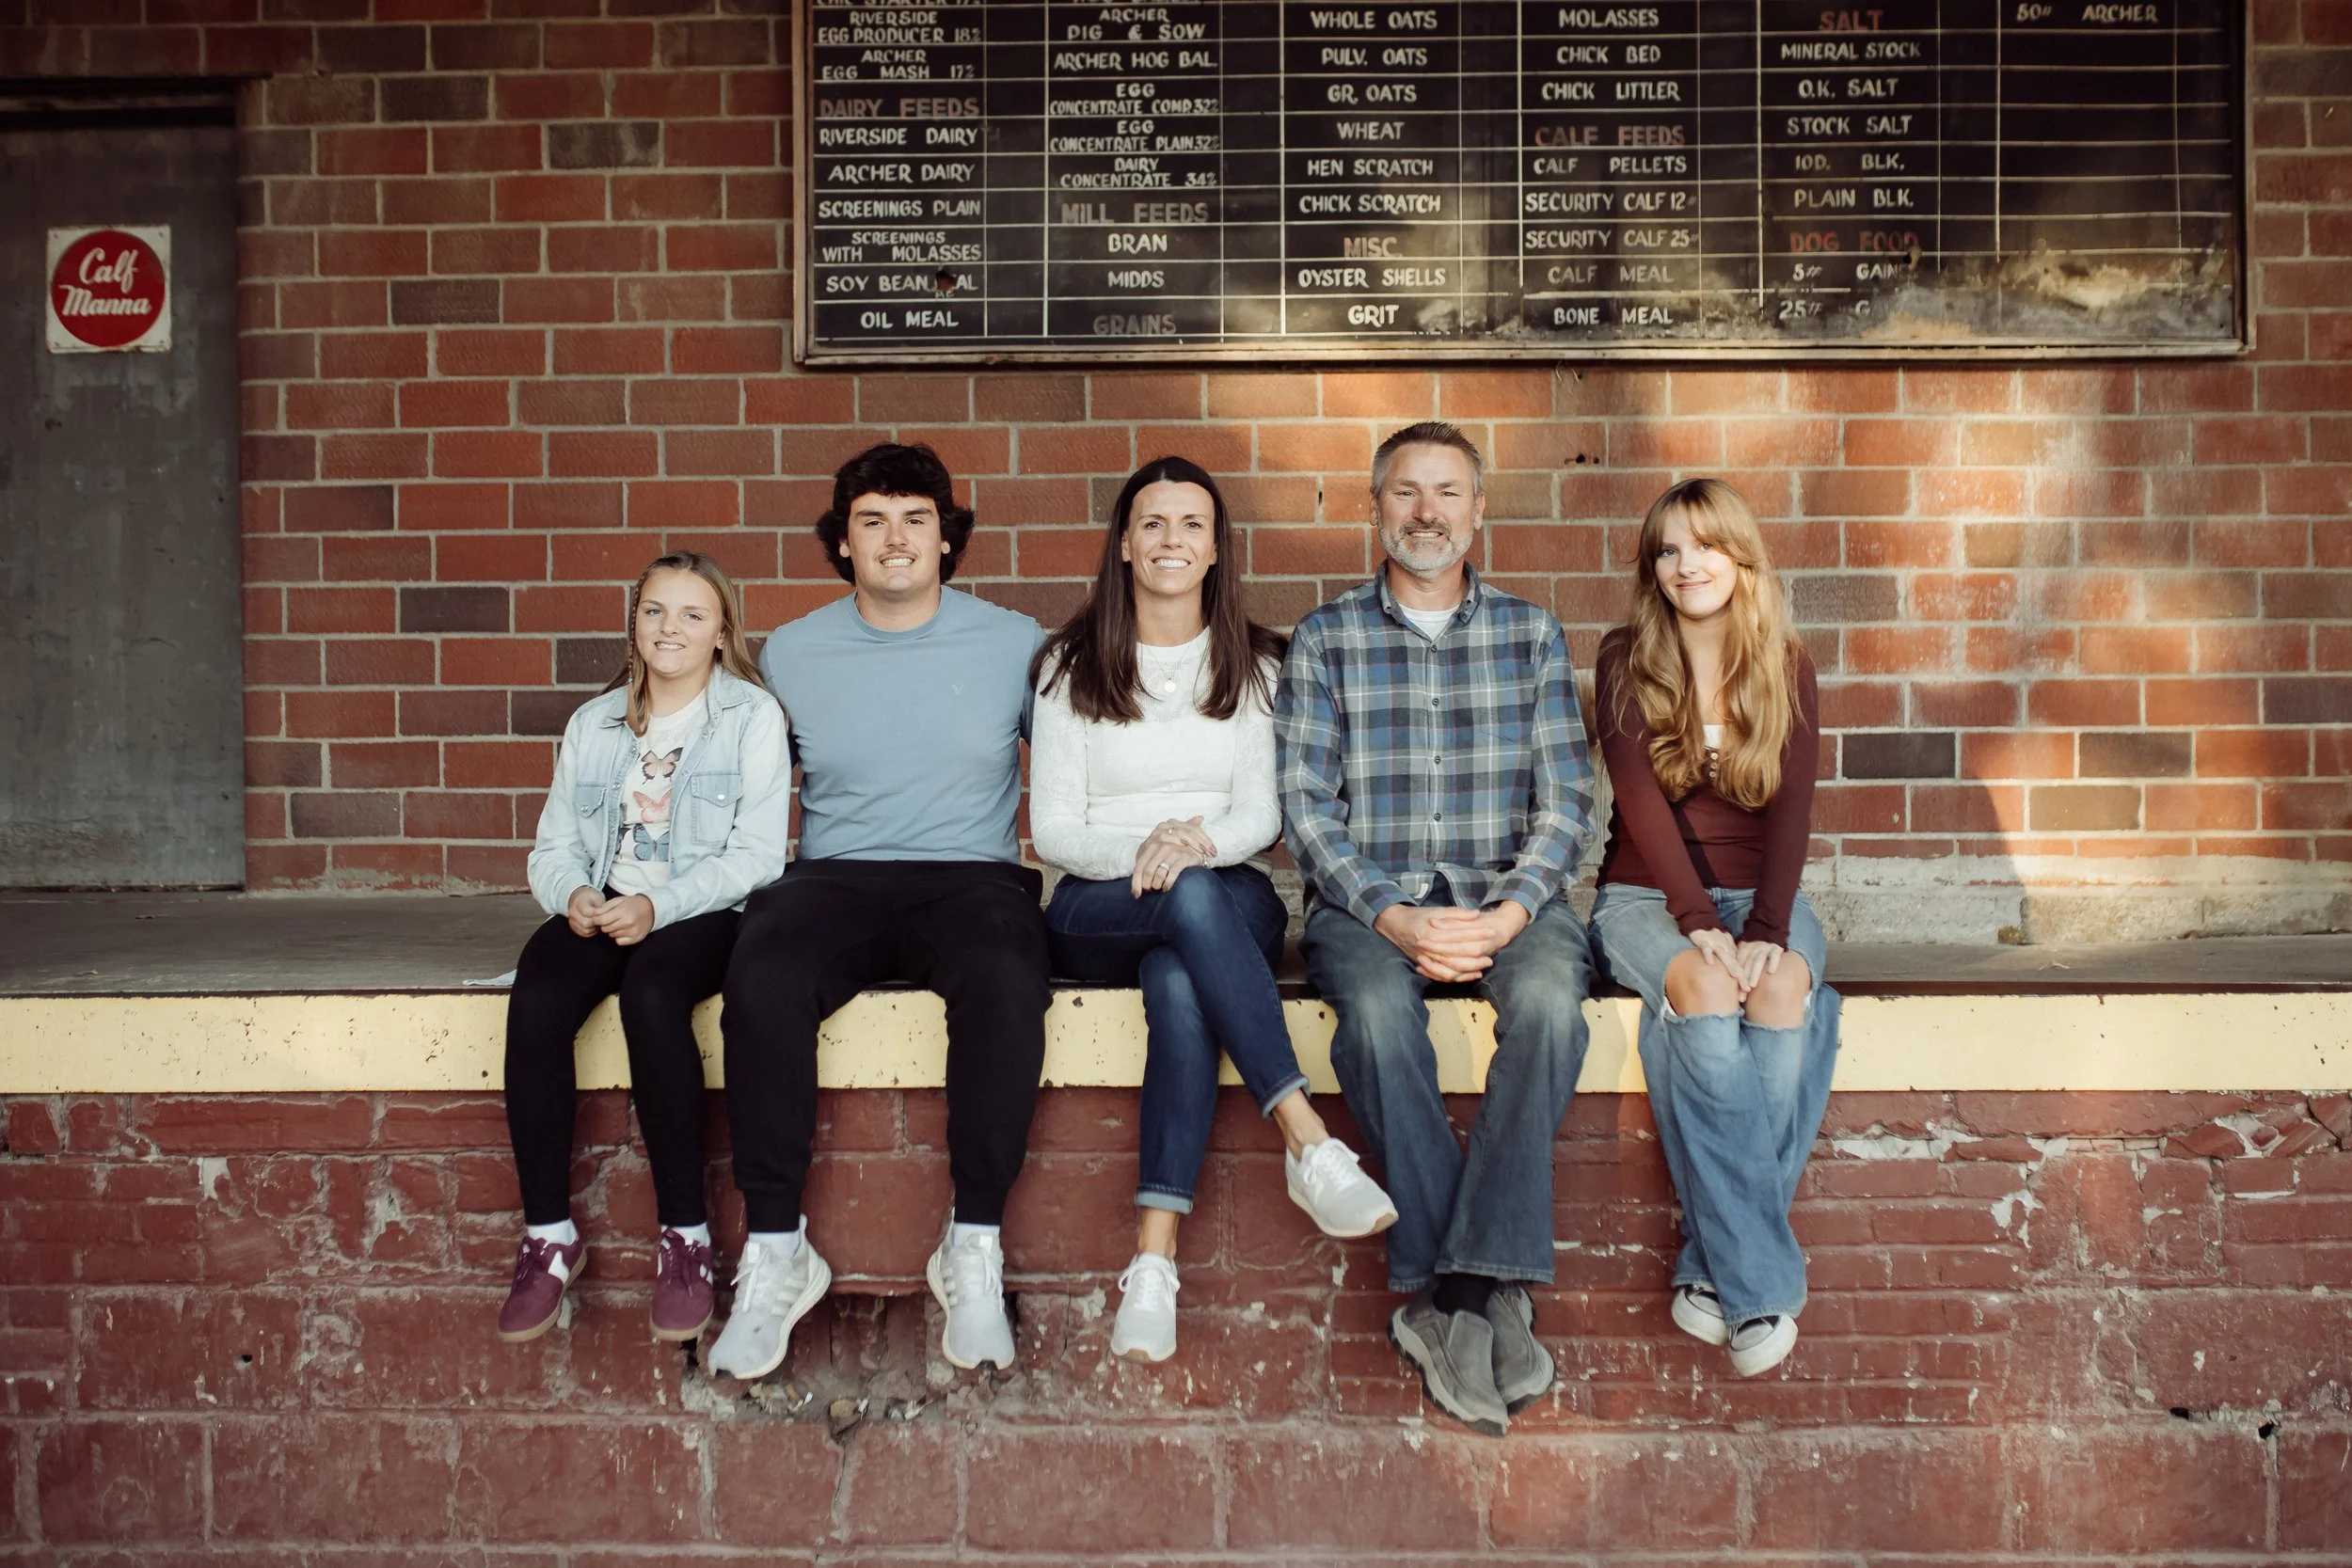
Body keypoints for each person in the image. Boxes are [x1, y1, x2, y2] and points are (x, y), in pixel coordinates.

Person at [1029, 456, 1398, 1365]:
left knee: (1182, 980)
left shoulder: (1259, 664)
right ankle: (1307, 1139)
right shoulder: (1067, 665)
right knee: (1182, 908)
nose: (1171, 542)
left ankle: (1153, 1263)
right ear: (1122, 544)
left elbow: (1262, 817)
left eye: (1191, 525)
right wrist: (1153, 853)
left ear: (1217, 547)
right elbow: (1056, 831)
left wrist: (1187, 847)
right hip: (1096, 904)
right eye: (1152, 524)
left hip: (1225, 887)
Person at [1275, 420, 1597, 1436]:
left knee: (1551, 1002)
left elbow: (1567, 805)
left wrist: (1505, 914)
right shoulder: (1326, 637)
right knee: (1371, 1012)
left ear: (1477, 510)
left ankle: (1445, 1293)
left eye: (1447, 492)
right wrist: (1394, 915)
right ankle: (1480, 1286)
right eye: (1405, 492)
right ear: (1376, 509)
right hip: (1367, 906)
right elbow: (1305, 808)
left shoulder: (1531, 632)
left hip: (1511, 897)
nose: (1426, 511)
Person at [707, 442, 1051, 1381]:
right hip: (834, 878)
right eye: (872, 520)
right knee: (763, 973)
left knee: (1010, 979)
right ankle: (777, 1247)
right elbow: (728, 775)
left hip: (971, 875)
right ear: (841, 543)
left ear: (947, 540)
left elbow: (1085, 752)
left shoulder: (1014, 641)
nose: (894, 538)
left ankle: (971, 1240)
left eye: (914, 519)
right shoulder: (795, 650)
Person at [501, 551, 790, 1344]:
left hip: (704, 909)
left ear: (723, 632)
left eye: (693, 614)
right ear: (633, 624)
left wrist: (656, 904)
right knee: (538, 992)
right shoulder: (593, 724)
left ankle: (685, 1237)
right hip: (604, 905)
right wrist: (575, 895)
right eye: (655, 611)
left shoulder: (751, 719)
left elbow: (758, 857)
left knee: (652, 996)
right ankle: (548, 1234)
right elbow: (551, 846)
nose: (671, 628)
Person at [1586, 477, 1839, 1380]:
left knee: (1779, 991)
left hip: (1759, 894)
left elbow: (1794, 811)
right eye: (1668, 549)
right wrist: (1700, 924)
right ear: (1652, 567)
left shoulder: (1788, 665)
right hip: (1646, 895)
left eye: (1705, 545)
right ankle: (1761, 1283)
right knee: (1701, 989)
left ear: (1741, 556)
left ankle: (1708, 1265)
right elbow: (1640, 809)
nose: (1687, 564)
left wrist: (1767, 924)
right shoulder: (1625, 659)